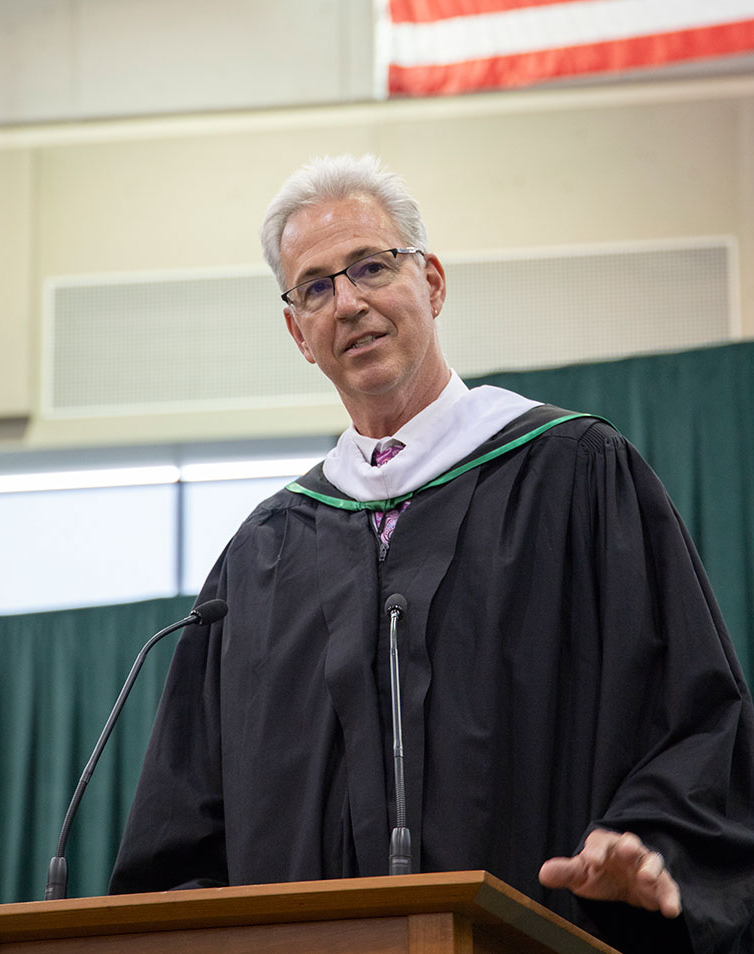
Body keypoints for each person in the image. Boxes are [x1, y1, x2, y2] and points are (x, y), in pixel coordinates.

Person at [110, 155, 754, 953]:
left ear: (433, 282)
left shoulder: (577, 477)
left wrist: (648, 847)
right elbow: (186, 836)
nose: (348, 302)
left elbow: (692, 721)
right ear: (297, 333)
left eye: (372, 266)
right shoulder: (261, 558)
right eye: (315, 286)